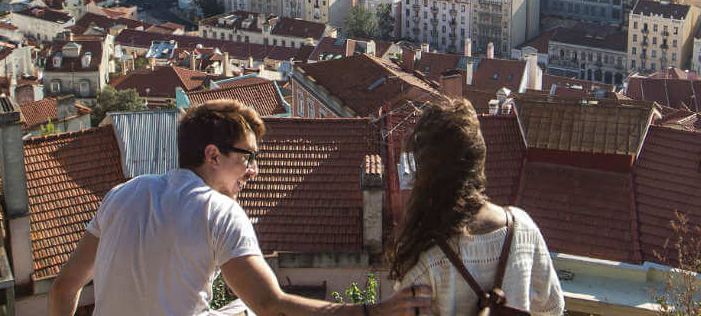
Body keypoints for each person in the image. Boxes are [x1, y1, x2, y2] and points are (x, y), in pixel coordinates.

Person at [49, 99, 433, 316]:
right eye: (248, 157)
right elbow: (270, 304)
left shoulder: (122, 194)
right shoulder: (217, 212)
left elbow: (64, 288)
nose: (254, 171)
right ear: (213, 155)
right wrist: (373, 311)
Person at [391, 99, 563, 315]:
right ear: (479, 159)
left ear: (425, 175)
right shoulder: (523, 229)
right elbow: (553, 308)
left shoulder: (425, 262)